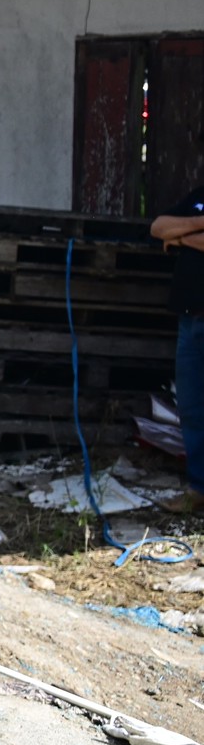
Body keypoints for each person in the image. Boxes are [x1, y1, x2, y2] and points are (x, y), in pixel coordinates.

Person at [152, 179, 204, 513]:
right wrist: (196, 227)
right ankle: (199, 488)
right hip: (191, 318)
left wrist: (181, 238)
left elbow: (171, 233)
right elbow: (158, 227)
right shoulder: (199, 196)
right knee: (193, 407)